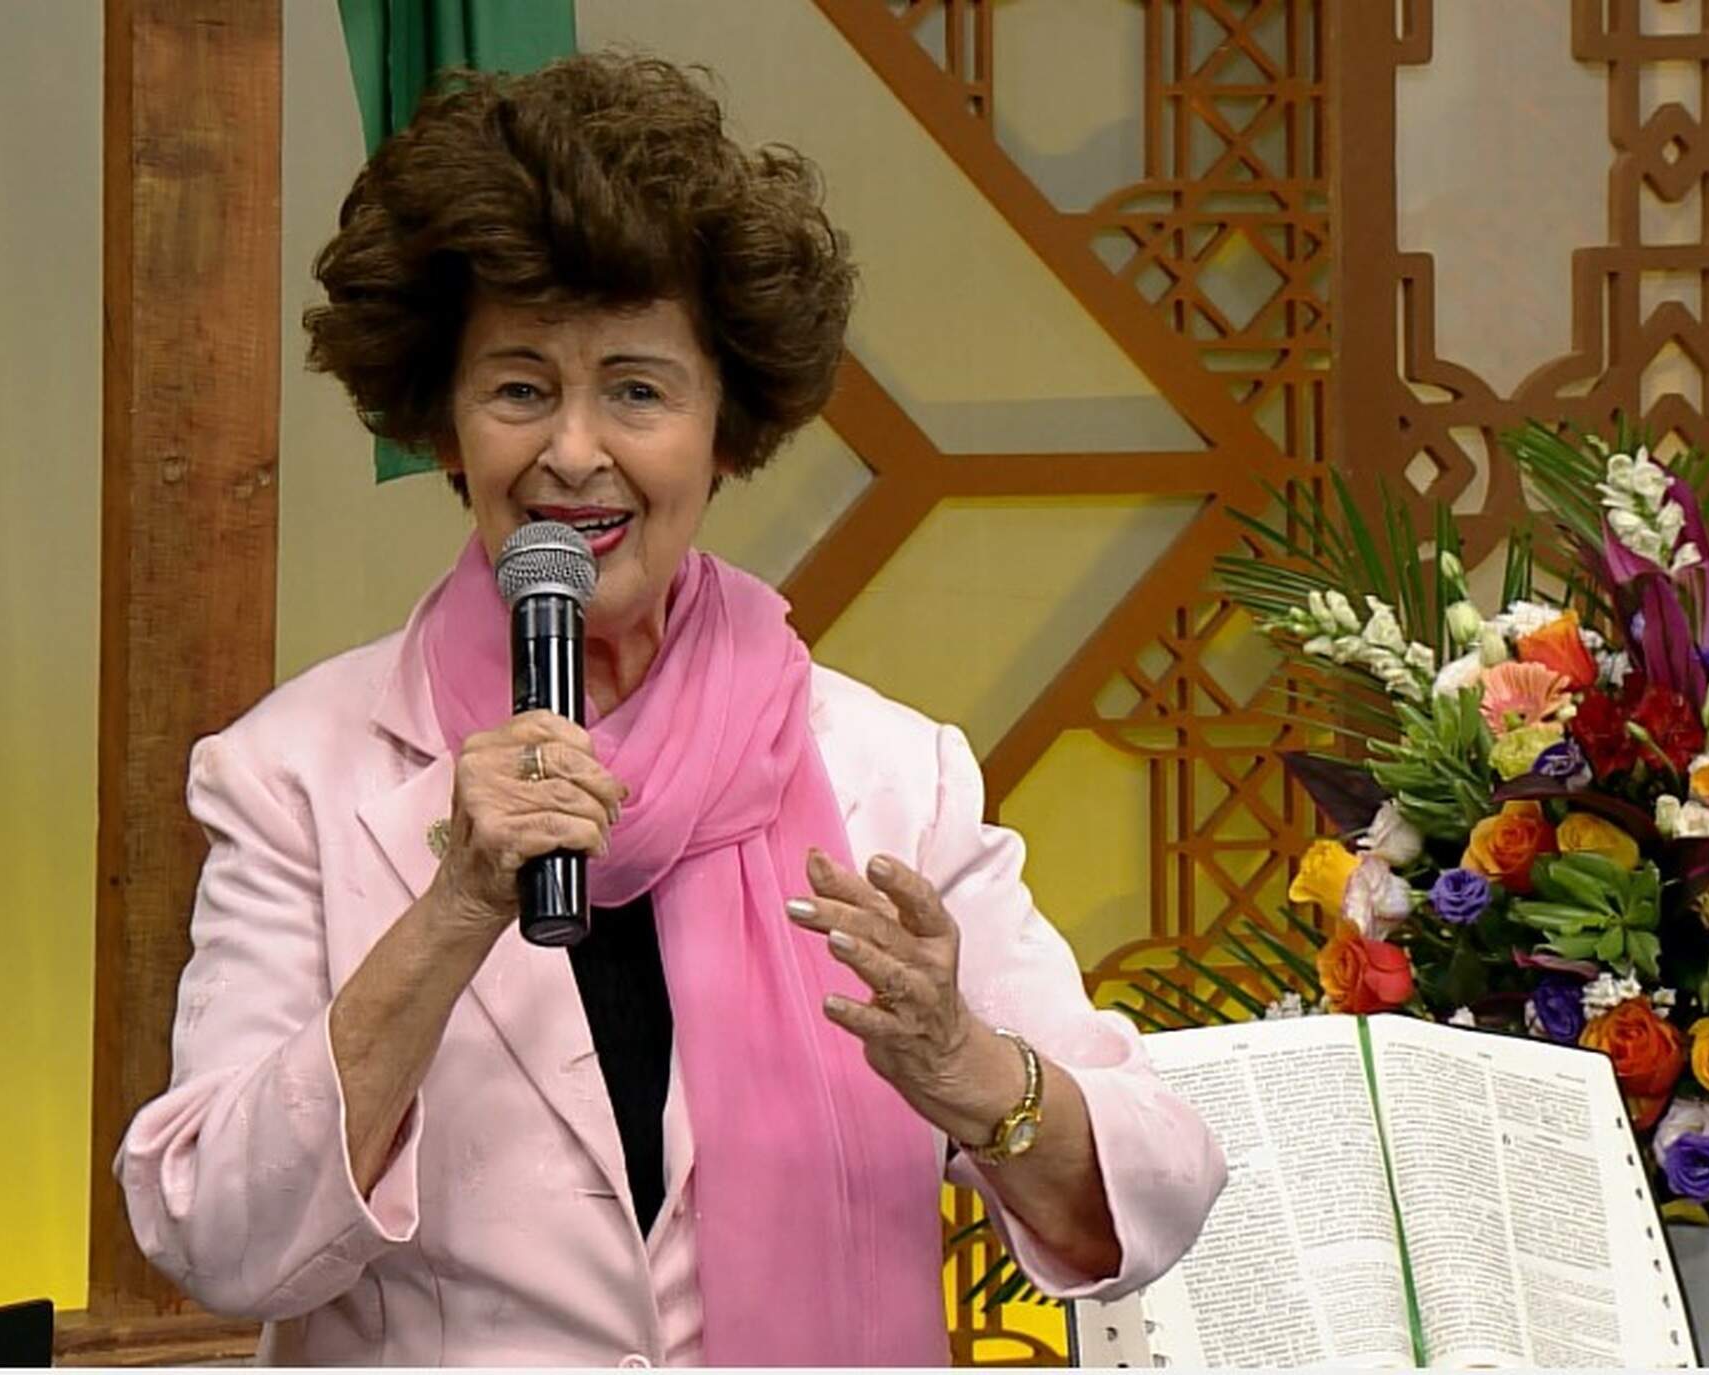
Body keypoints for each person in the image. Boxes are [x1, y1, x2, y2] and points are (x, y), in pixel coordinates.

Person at [117, 53, 1223, 1368]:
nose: (574, 451)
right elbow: (214, 1235)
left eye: (638, 391)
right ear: (446, 425)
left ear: (724, 427)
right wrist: (454, 910)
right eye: (520, 388)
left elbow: (1163, 1188)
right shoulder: (293, 771)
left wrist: (966, 1066)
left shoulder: (891, 772)